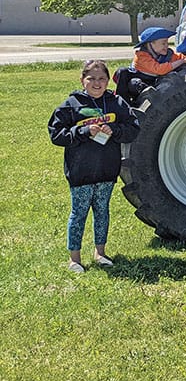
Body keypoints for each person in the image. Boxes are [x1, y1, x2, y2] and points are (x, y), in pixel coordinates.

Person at [48, 60, 140, 273]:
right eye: (91, 78)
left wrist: (114, 130)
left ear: (108, 81)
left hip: (107, 170)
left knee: (102, 212)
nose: (97, 83)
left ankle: (100, 252)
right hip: (81, 171)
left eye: (101, 78)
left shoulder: (117, 104)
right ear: (82, 80)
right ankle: (75, 258)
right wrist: (82, 132)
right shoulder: (71, 105)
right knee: (78, 213)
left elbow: (133, 128)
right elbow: (56, 134)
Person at [114, 27, 186, 104]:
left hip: (154, 85)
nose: (166, 46)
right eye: (163, 43)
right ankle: (123, 104)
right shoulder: (141, 56)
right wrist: (182, 61)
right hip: (138, 85)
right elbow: (159, 70)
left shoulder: (167, 55)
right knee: (132, 81)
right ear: (150, 44)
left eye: (167, 43)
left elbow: (183, 57)